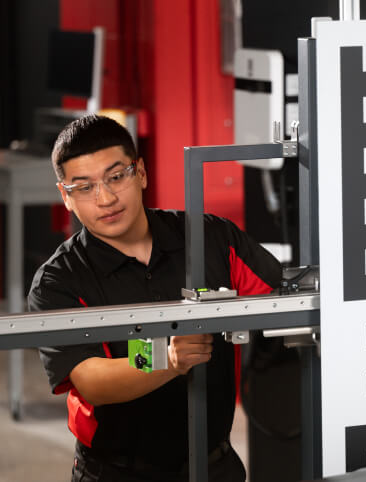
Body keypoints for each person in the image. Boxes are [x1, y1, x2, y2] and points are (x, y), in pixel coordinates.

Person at [28, 115, 281, 482]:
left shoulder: (212, 239)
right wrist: (166, 358)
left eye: (117, 176)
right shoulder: (58, 281)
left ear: (141, 173)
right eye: (84, 187)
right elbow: (90, 380)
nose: (106, 198)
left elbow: (281, 298)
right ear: (65, 197)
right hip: (115, 473)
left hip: (214, 466)